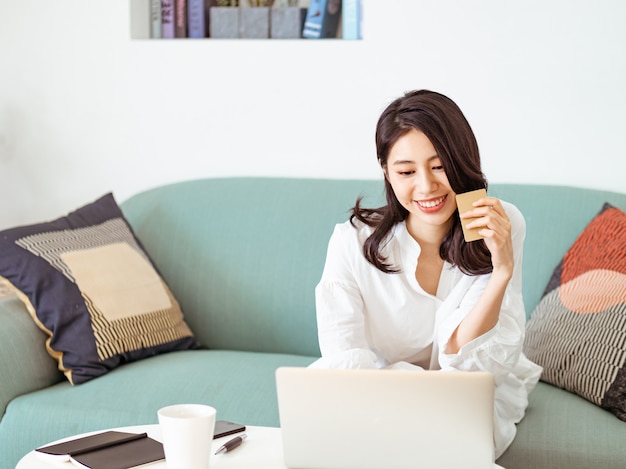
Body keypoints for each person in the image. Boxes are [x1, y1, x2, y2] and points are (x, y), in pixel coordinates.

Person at [310, 89, 542, 458]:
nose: (427, 186)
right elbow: (343, 362)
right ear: (386, 172)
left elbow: (469, 365)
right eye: (406, 171)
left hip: (469, 398)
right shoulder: (350, 243)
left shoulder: (500, 223)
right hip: (384, 395)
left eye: (439, 166)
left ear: (463, 160)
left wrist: (502, 271)